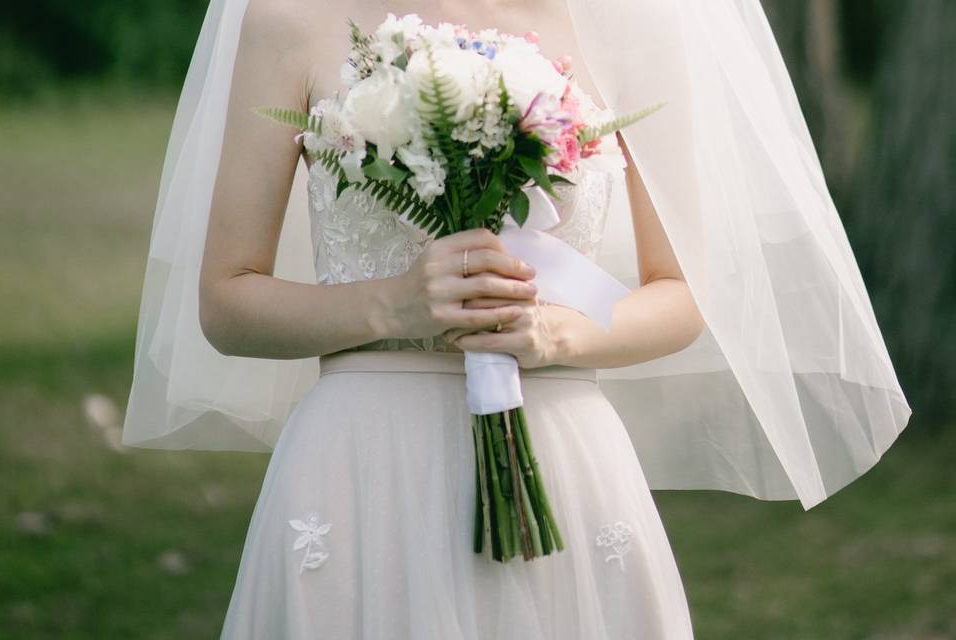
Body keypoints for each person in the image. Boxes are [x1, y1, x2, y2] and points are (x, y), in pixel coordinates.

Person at [122, 0, 911, 637]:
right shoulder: (291, 20)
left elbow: (682, 294)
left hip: (561, 449)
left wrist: (560, 333)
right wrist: (390, 302)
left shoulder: (636, 24)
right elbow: (227, 300)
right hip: (361, 462)